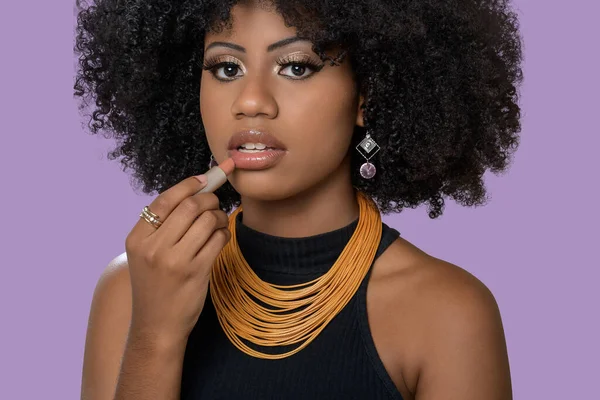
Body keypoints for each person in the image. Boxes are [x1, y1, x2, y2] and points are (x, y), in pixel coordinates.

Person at [74, 0, 523, 398]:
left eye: (295, 66)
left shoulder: (448, 314)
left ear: (365, 93)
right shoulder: (130, 293)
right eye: (227, 69)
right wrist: (154, 338)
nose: (250, 102)